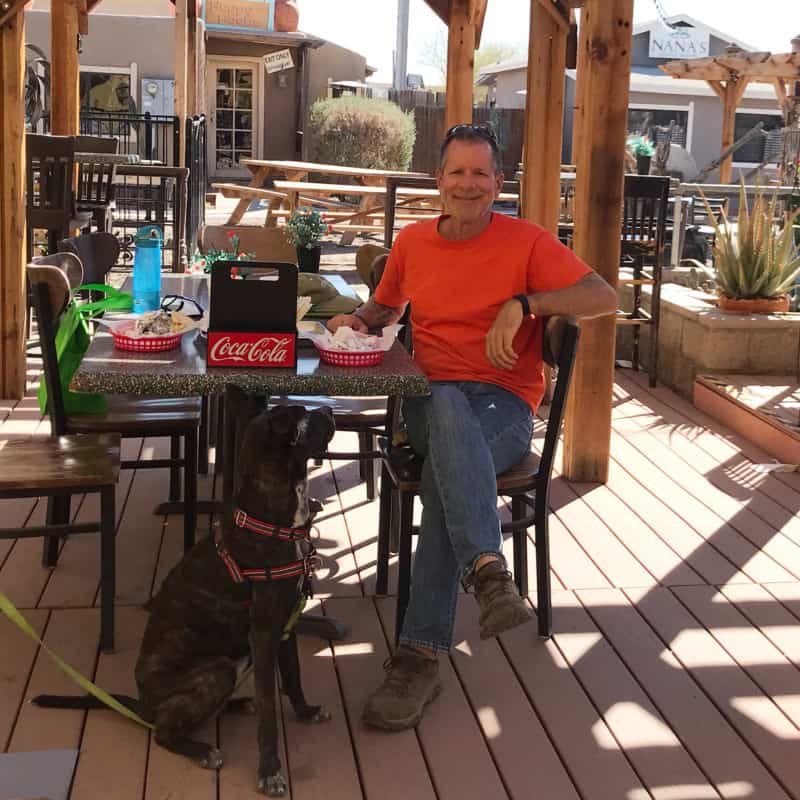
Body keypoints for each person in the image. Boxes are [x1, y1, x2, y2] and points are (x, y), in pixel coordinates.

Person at [327, 123, 618, 731]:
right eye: (456, 172)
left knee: (445, 477)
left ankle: (420, 655)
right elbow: (385, 308)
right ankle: (487, 570)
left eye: (480, 173)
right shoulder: (412, 244)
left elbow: (602, 296)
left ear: (498, 183)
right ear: (438, 181)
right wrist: (351, 319)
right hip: (427, 403)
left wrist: (528, 304)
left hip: (505, 409)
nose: (468, 184)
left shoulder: (528, 243)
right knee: (440, 397)